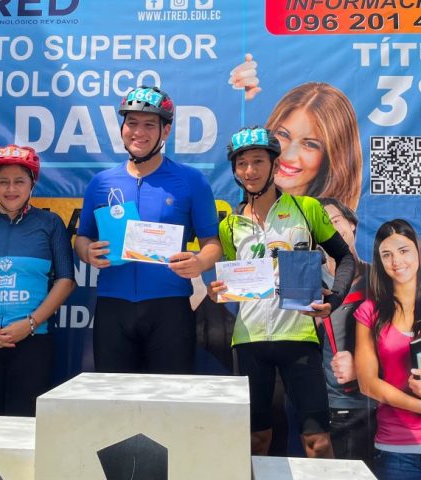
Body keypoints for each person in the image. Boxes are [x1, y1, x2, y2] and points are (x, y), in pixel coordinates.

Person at [208, 126, 355, 458]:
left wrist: (333, 299)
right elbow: (232, 284)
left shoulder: (307, 209)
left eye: (258, 161)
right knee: (256, 441)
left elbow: (345, 258)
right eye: (242, 163)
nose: (250, 170)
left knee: (317, 441)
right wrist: (218, 292)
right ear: (234, 170)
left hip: (299, 339)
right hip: (249, 342)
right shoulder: (229, 226)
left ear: (275, 165)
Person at [75, 85, 222, 374]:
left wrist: (199, 262)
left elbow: (213, 244)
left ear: (165, 131)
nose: (138, 132)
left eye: (149, 125)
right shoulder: (101, 182)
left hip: (169, 308)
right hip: (113, 306)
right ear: (122, 128)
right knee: (114, 395)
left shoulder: (191, 181)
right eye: (131, 123)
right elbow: (83, 237)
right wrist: (87, 252)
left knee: (168, 396)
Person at [0, 145, 75, 417]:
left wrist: (30, 324)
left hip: (32, 341)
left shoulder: (50, 223)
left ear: (32, 183)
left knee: (24, 424)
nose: (11, 189)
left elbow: (66, 280)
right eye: (3, 182)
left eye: (19, 181)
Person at [229, 56, 363, 210]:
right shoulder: (240, 216)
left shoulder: (325, 218)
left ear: (333, 158)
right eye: (284, 135)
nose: (289, 156)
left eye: (310, 144)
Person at [355, 219, 421, 480]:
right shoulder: (369, 312)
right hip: (398, 449)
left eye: (403, 251)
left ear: (418, 251)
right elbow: (368, 383)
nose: (396, 261)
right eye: (387, 255)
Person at [318, 197, 376, 466]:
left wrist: (363, 366)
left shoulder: (381, 280)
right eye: (322, 226)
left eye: (335, 221)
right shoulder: (307, 283)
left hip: (375, 408)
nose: (330, 230)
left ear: (352, 224)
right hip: (324, 409)